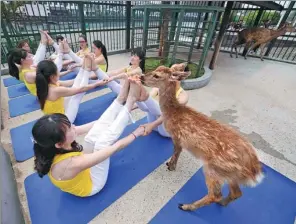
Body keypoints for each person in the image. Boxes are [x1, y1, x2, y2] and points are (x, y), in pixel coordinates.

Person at [32, 77, 147, 197]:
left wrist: (120, 106)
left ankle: (122, 98)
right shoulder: (69, 163)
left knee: (91, 137)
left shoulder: (47, 144)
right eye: (70, 128)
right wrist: (136, 133)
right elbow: (115, 147)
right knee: (102, 145)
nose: (74, 126)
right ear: (59, 144)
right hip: (93, 184)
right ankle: (130, 100)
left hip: (79, 170)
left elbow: (96, 124)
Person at [36, 54, 108, 123]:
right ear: (52, 77)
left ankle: (86, 68)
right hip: (61, 123)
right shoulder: (56, 90)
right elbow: (80, 90)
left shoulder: (43, 86)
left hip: (54, 118)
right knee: (76, 96)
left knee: (74, 89)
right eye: (57, 70)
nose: (59, 71)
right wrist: (97, 83)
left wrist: (83, 66)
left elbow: (71, 82)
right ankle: (87, 69)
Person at [7, 37, 80, 96]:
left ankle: (45, 43)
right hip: (45, 94)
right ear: (22, 60)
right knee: (76, 90)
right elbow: (54, 73)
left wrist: (68, 71)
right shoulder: (29, 74)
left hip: (45, 87)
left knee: (76, 83)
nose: (32, 57)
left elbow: (53, 73)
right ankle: (46, 43)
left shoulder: (29, 67)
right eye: (29, 56)